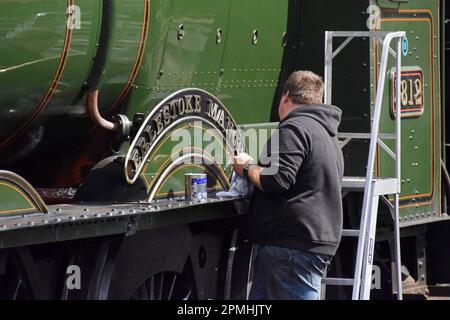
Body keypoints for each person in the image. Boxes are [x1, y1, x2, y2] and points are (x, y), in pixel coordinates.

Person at [232, 70, 344, 300]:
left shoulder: (294, 128)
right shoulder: (327, 135)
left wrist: (246, 167)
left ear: (285, 97)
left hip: (291, 245)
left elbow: (277, 180)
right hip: (307, 242)